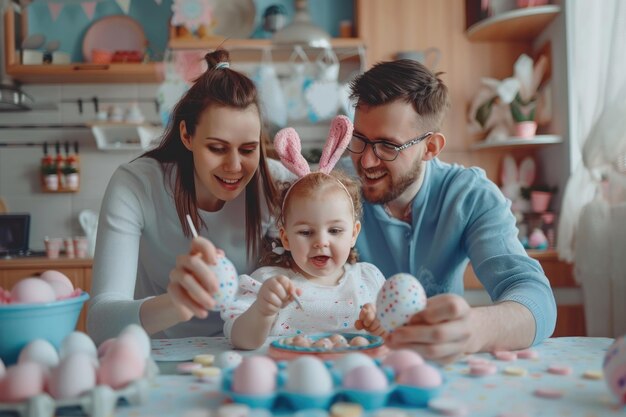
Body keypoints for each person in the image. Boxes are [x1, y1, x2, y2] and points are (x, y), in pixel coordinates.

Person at [344, 59, 557, 362]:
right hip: (353, 362)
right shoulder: (334, 189)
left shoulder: (469, 196)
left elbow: (536, 298)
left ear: (430, 148)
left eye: (388, 146)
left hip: (439, 369)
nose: (365, 162)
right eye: (359, 139)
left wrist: (476, 329)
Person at [87, 49, 293, 344]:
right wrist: (176, 304)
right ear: (186, 136)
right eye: (217, 148)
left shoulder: (279, 185)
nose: (235, 167)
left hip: (249, 351)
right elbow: (99, 322)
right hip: (157, 354)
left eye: (248, 150)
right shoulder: (135, 185)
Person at [222, 117, 386, 350]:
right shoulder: (270, 284)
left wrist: (382, 327)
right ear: (285, 237)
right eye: (306, 232)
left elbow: (399, 334)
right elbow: (240, 340)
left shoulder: (368, 281)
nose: (321, 242)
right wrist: (263, 309)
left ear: (353, 233)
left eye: (335, 231)